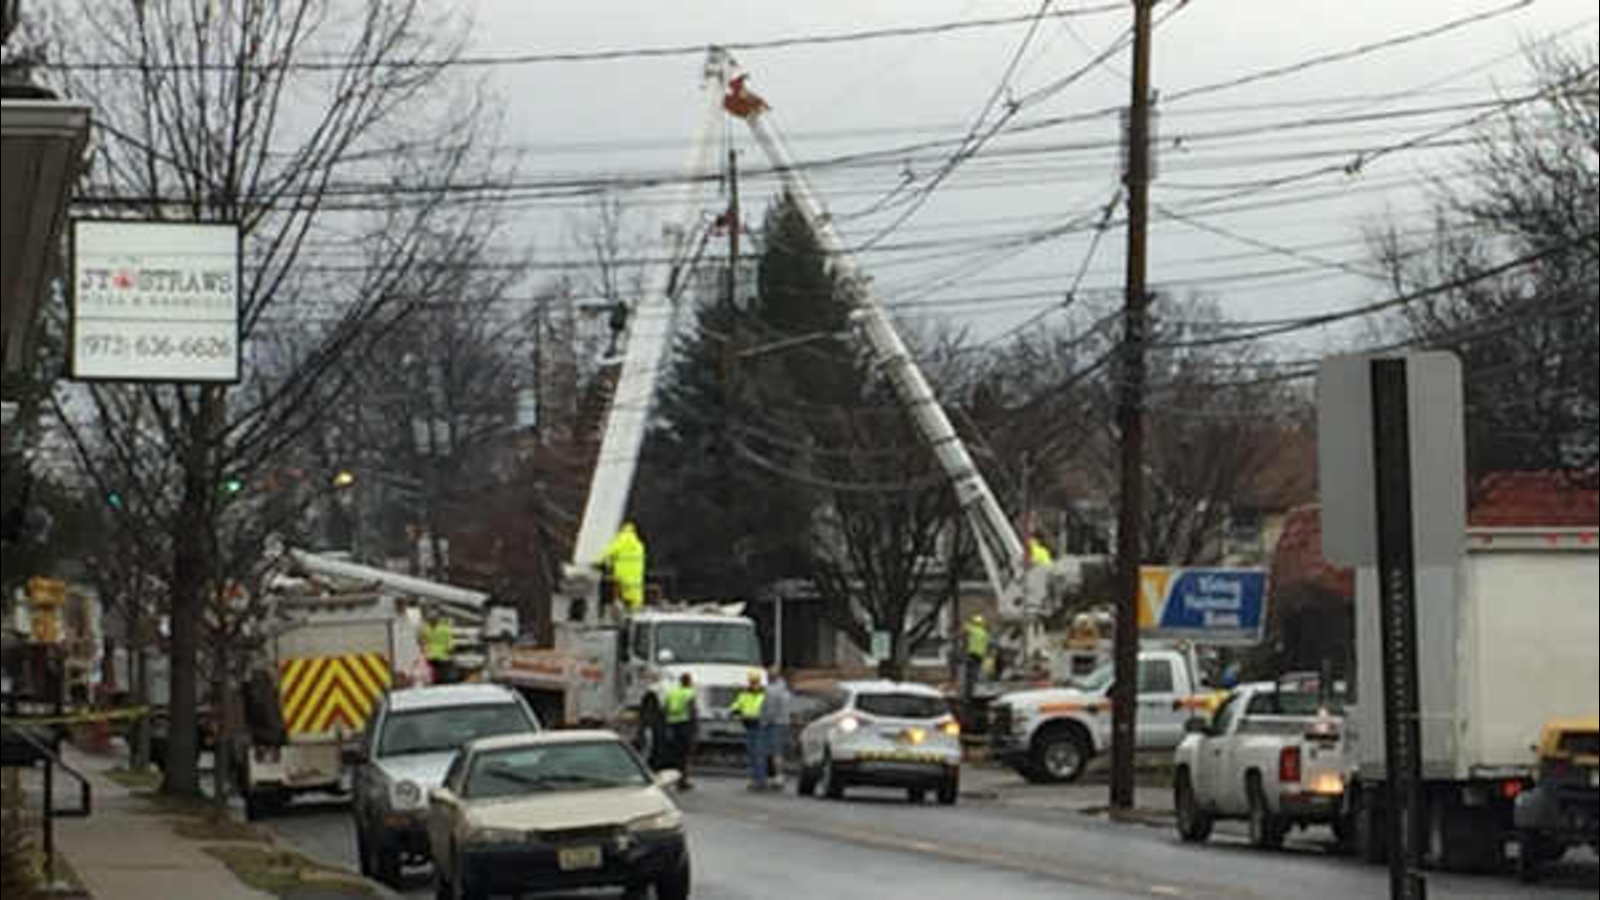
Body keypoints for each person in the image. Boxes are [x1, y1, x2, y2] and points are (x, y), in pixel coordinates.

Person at [729, 671, 768, 791]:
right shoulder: (744, 694)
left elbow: (768, 709)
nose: (753, 684)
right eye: (752, 682)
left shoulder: (765, 695)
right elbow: (736, 705)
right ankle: (755, 779)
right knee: (752, 755)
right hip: (749, 726)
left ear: (759, 682)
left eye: (755, 681)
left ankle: (760, 781)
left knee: (759, 754)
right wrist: (735, 711)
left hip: (760, 726)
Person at [602, 522, 648, 616]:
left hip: (622, 576)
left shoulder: (620, 540)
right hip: (636, 579)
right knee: (635, 600)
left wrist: (606, 564)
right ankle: (634, 615)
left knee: (618, 598)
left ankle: (618, 614)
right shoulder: (639, 545)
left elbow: (608, 553)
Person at [663, 673, 698, 790]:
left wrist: (667, 725)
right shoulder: (689, 693)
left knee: (675, 755)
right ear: (688, 682)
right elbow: (692, 710)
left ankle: (674, 780)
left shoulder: (672, 693)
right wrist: (695, 727)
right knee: (685, 755)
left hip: (673, 726)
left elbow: (665, 708)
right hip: (685, 726)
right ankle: (683, 781)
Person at [761, 667, 793, 790]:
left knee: (773, 752)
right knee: (779, 751)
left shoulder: (771, 690)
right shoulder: (785, 690)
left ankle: (776, 777)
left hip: (773, 724)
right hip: (784, 722)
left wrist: (764, 722)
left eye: (768, 676)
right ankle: (778, 776)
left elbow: (769, 710)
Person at [421, 608, 456, 684]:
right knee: (432, 670)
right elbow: (423, 640)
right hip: (430, 653)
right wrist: (424, 649)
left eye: (434, 618)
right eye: (430, 619)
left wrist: (450, 648)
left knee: (441, 669)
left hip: (442, 653)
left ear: (437, 619)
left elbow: (449, 638)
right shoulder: (425, 628)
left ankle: (441, 681)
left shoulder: (444, 628)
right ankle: (433, 680)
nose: (432, 620)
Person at [962, 613, 990, 702]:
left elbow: (964, 627)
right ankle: (977, 689)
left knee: (969, 674)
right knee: (978, 672)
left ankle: (968, 694)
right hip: (981, 655)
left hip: (972, 654)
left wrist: (967, 621)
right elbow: (986, 645)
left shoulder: (973, 629)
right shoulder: (985, 633)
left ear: (974, 623)